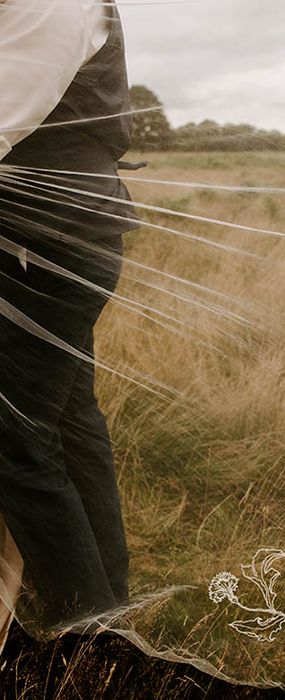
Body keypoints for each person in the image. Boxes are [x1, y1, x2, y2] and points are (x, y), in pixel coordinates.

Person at [0, 0, 139, 630]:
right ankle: (108, 606)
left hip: (45, 240)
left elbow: (2, 119)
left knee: (16, 439)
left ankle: (84, 631)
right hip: (61, 232)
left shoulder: (49, 2)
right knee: (69, 419)